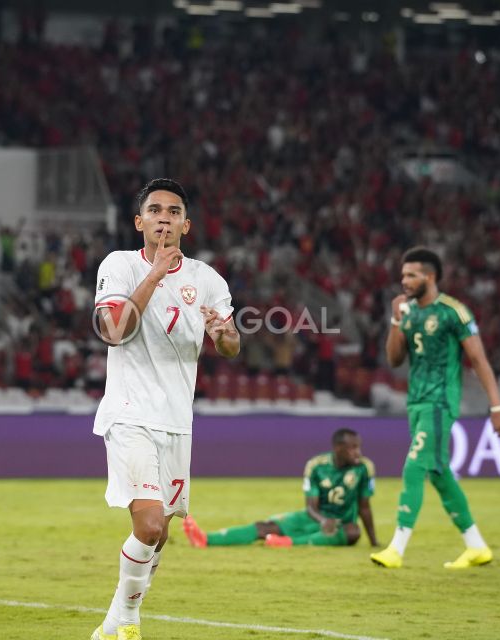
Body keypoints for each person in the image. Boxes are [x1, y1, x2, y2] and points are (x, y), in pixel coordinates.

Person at [90, 178, 240, 640]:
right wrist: (155, 273)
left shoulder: (207, 280)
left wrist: (222, 333)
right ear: (139, 222)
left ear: (186, 224)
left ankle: (111, 623)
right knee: (149, 524)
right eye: (154, 210)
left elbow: (233, 346)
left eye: (173, 211)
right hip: (129, 412)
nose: (163, 217)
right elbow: (113, 331)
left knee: (162, 533)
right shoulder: (118, 266)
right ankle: (131, 624)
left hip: (178, 421)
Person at [370, 247, 500, 570]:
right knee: (439, 473)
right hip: (416, 402)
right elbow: (394, 360)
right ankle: (476, 547)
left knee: (414, 467)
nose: (403, 281)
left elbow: (478, 359)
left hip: (440, 401)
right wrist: (395, 320)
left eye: (411, 275)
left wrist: (497, 405)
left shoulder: (453, 312)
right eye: (402, 275)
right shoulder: (409, 311)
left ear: (429, 277)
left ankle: (396, 548)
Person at [182, 428, 377, 548]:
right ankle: (207, 539)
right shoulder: (316, 466)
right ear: (338, 448)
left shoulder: (364, 468)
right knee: (265, 527)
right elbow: (310, 506)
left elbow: (364, 507)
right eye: (353, 447)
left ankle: (289, 543)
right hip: (314, 517)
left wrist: (374, 541)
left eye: (358, 447)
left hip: (342, 524)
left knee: (353, 532)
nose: (358, 452)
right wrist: (324, 521)